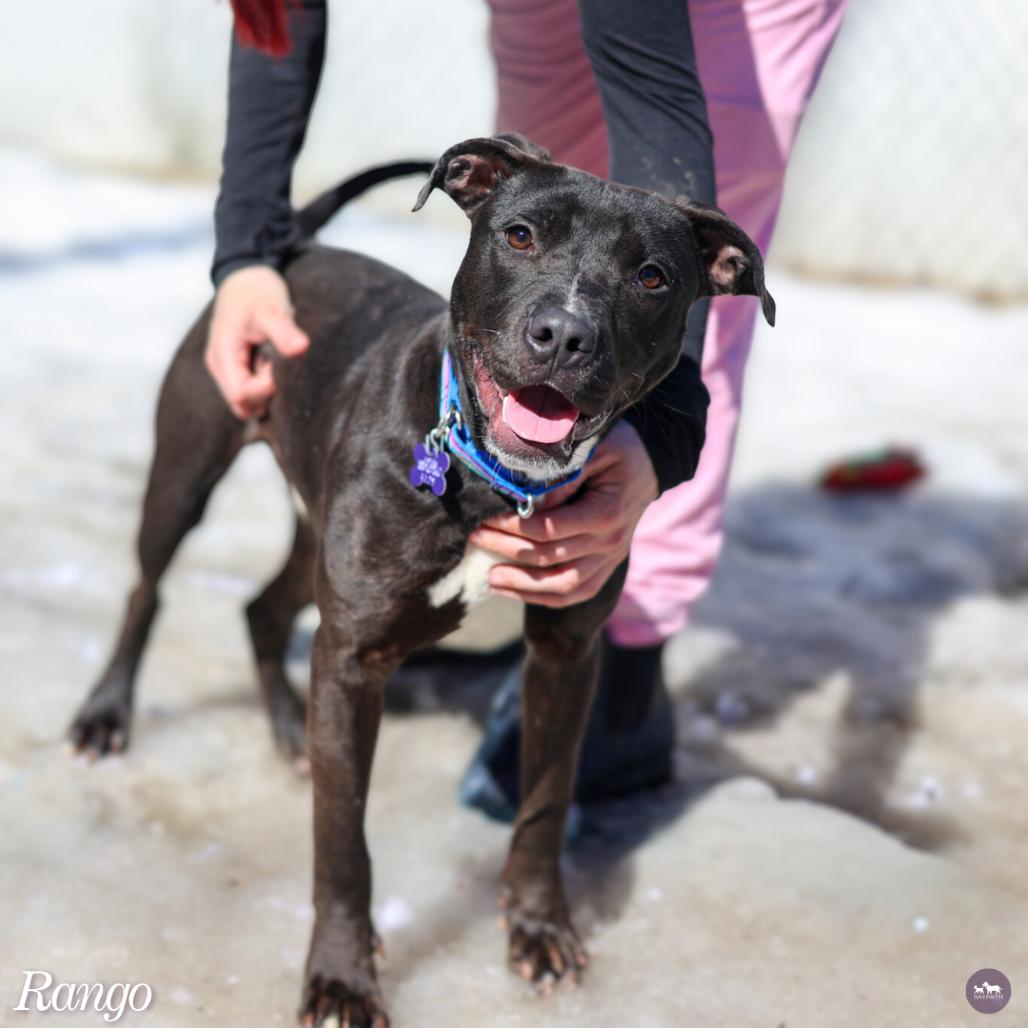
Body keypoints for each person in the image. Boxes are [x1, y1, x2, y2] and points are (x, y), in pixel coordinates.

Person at [207, 0, 847, 816]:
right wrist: (245, 256)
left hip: (729, 23)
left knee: (647, 287)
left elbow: (658, 118)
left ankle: (624, 670)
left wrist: (660, 440)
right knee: (555, 223)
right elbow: (272, 16)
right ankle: (500, 603)